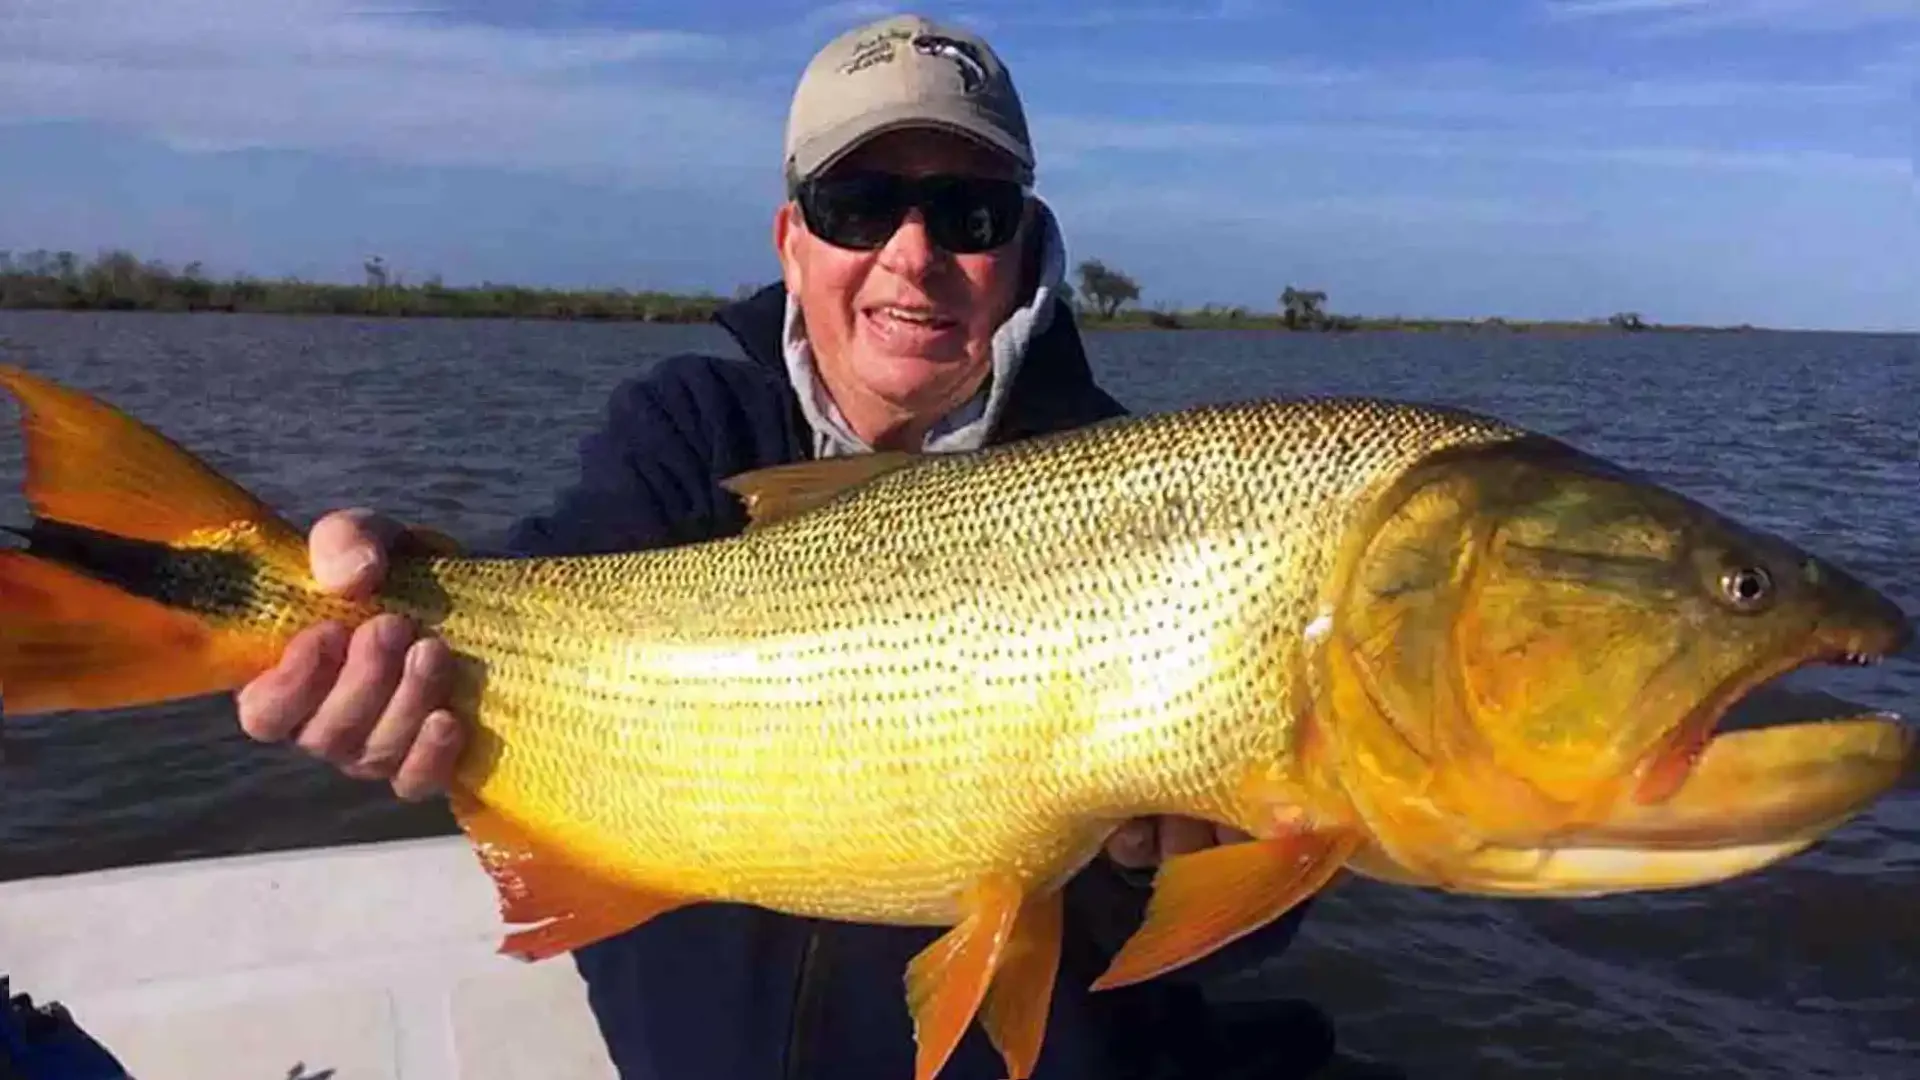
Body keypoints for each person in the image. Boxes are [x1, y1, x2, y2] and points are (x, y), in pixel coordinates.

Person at [233, 13, 1359, 1079]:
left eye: (968, 212)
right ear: (793, 238)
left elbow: (1235, 940)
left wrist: (1177, 871)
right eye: (860, 205)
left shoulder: (1156, 496)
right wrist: (380, 621)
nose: (912, 255)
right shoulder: (687, 429)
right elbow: (543, 588)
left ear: (1024, 249)